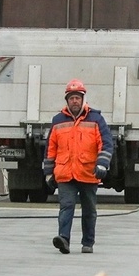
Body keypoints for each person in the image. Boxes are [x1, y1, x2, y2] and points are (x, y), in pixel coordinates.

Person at [44, 79, 112, 254]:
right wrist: (48, 173)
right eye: (72, 98)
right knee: (66, 207)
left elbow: (105, 144)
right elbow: (51, 149)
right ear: (67, 100)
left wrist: (102, 164)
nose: (75, 101)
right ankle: (63, 240)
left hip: (88, 173)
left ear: (83, 99)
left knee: (89, 210)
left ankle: (87, 242)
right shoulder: (58, 120)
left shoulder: (96, 119)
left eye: (78, 98)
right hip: (65, 174)